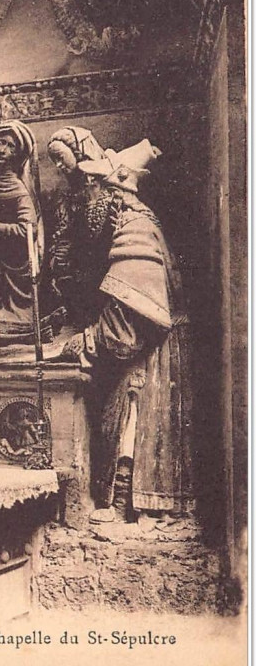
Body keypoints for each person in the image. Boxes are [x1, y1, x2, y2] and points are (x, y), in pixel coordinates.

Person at [53, 140, 193, 523]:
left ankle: (126, 505)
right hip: (151, 344)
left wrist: (85, 340)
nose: (89, 200)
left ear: (114, 193)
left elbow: (126, 327)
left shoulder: (135, 227)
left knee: (132, 419)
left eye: (96, 190)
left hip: (151, 352)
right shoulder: (136, 222)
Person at [0, 121, 44, 315]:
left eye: (10, 146)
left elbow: (28, 229)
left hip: (13, 261)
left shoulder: (17, 190)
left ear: (17, 154)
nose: (2, 150)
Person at [47, 125, 107, 325]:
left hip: (103, 249)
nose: (58, 165)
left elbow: (98, 226)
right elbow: (66, 229)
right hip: (80, 253)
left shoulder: (99, 183)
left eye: (60, 157)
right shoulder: (68, 193)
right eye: (54, 160)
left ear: (77, 151)